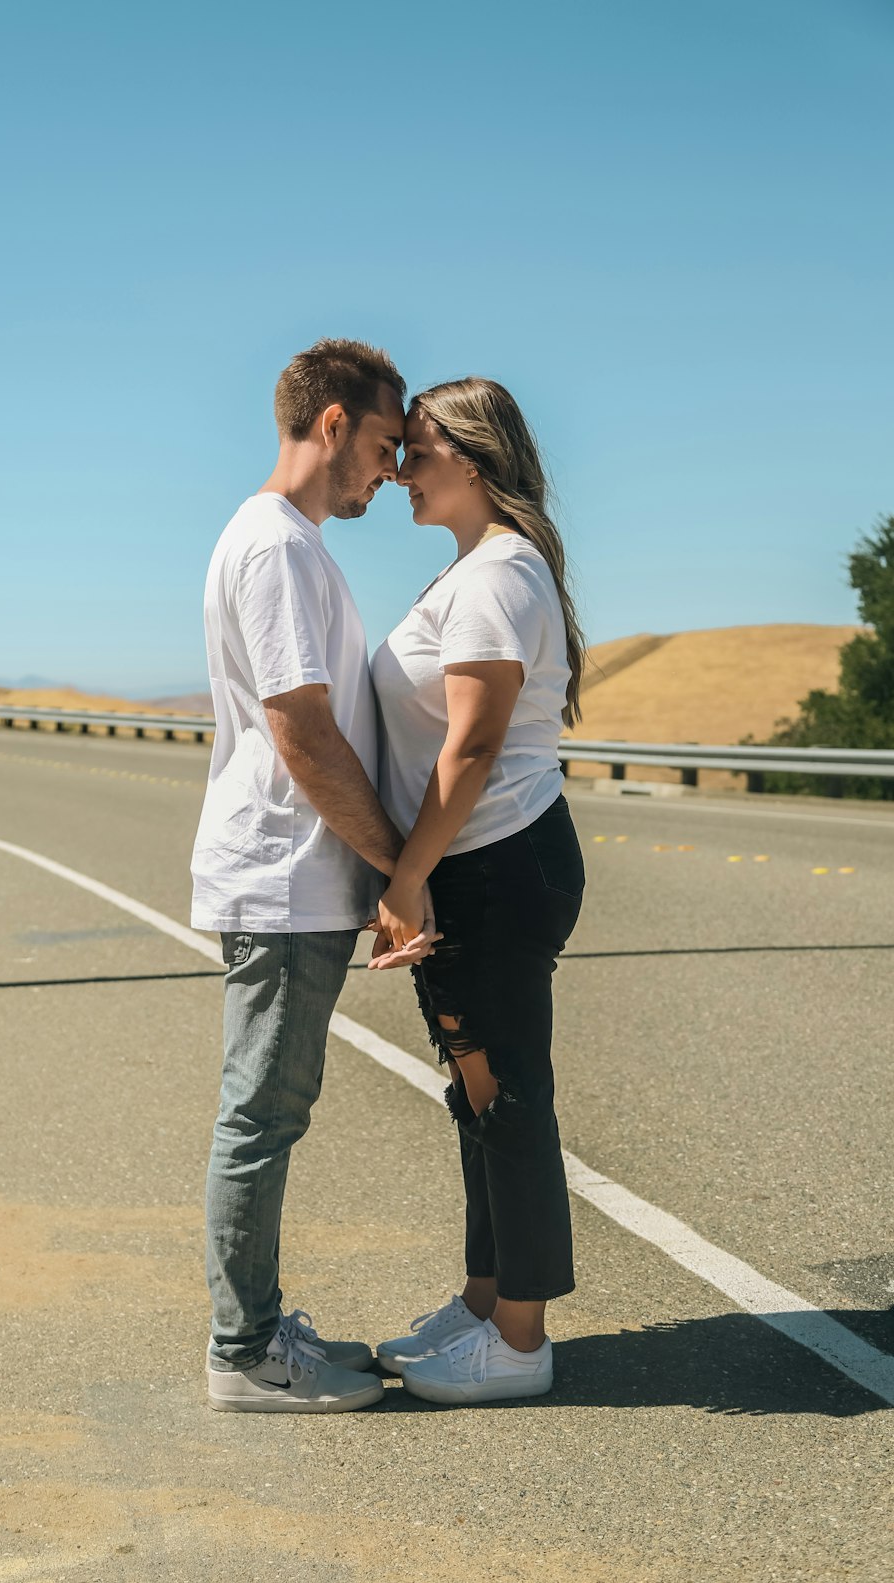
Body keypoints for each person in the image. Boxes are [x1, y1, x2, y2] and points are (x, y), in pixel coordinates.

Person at [191, 338, 436, 1414]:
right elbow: (301, 729)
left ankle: (256, 1323)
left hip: (291, 873)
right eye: (384, 444)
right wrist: (401, 865)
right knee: (261, 1113)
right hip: (284, 875)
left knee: (268, 1109)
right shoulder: (279, 547)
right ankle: (243, 1352)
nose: (390, 472)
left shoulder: (284, 540)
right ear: (331, 422)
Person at [369, 376, 587, 1405]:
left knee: (506, 1096)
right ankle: (482, 1301)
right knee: (477, 1092)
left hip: (493, 862)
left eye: (418, 449)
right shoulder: (475, 571)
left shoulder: (498, 574)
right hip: (480, 860)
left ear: (474, 456)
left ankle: (520, 1338)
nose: (401, 469)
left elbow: (478, 739)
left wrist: (409, 871)